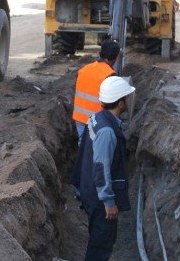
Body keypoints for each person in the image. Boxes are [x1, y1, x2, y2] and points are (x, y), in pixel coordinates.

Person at [70, 76, 134, 261]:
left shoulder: (97, 117)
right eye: (126, 99)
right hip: (99, 199)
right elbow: (100, 167)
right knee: (101, 244)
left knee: (98, 239)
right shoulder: (107, 130)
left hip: (89, 190)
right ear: (120, 103)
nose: (128, 102)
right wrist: (108, 202)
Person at [72, 40, 120, 142]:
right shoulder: (110, 75)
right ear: (115, 58)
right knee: (96, 151)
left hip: (80, 118)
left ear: (101, 53)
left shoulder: (84, 70)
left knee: (83, 149)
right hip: (97, 121)